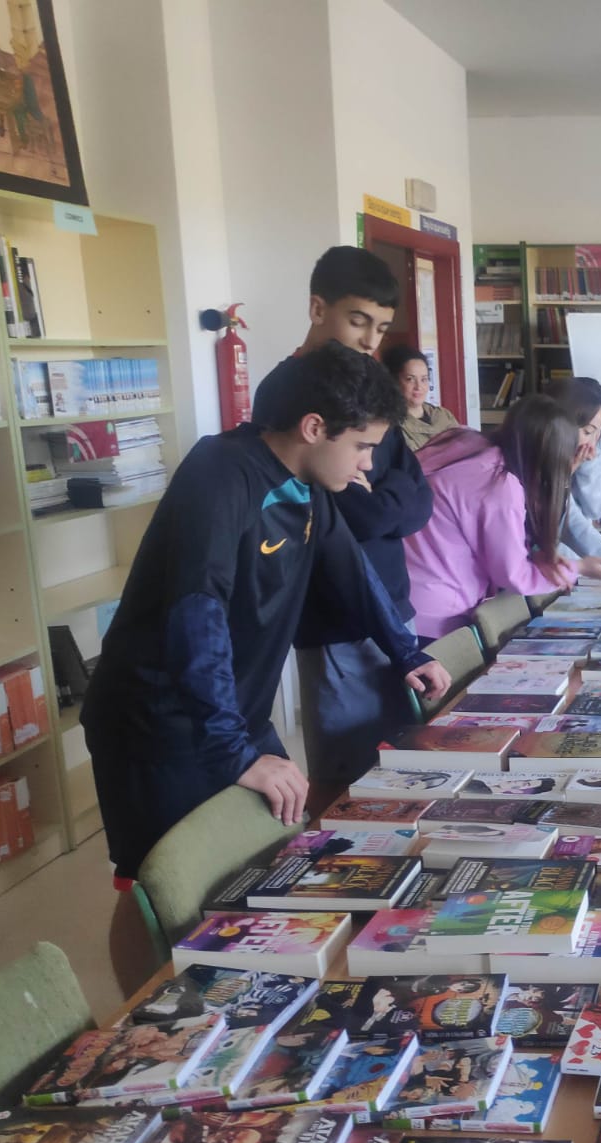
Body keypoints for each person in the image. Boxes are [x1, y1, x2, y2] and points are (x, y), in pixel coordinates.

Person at [81, 342, 451, 881]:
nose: (368, 463)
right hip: (156, 722)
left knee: (268, 859)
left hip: (228, 711)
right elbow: (196, 615)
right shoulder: (221, 473)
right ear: (313, 427)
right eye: (362, 446)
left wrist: (405, 651)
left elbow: (350, 570)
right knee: (159, 886)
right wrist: (237, 753)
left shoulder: (308, 482)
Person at [251, 247, 435, 801]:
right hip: (333, 614)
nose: (370, 340)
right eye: (358, 321)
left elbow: (418, 497)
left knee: (401, 761)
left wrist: (377, 505)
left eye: (380, 327)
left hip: (392, 604)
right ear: (317, 308)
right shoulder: (286, 392)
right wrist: (383, 507)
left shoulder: (369, 386)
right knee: (348, 779)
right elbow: (330, 513)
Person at [407, 396, 601, 637]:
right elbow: (515, 576)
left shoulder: (466, 439)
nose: (590, 452)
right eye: (587, 433)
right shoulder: (500, 484)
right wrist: (580, 567)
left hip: (406, 593)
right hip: (435, 611)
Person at [546, 377, 601, 590]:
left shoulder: (595, 447)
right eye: (587, 432)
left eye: (599, 434)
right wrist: (582, 567)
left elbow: (585, 513)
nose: (593, 443)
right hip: (542, 570)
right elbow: (537, 537)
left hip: (561, 567)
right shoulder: (533, 460)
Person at [385, 344, 457, 452]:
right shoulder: (391, 425)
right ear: (395, 381)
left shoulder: (443, 416)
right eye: (410, 379)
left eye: (424, 379)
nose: (419, 387)